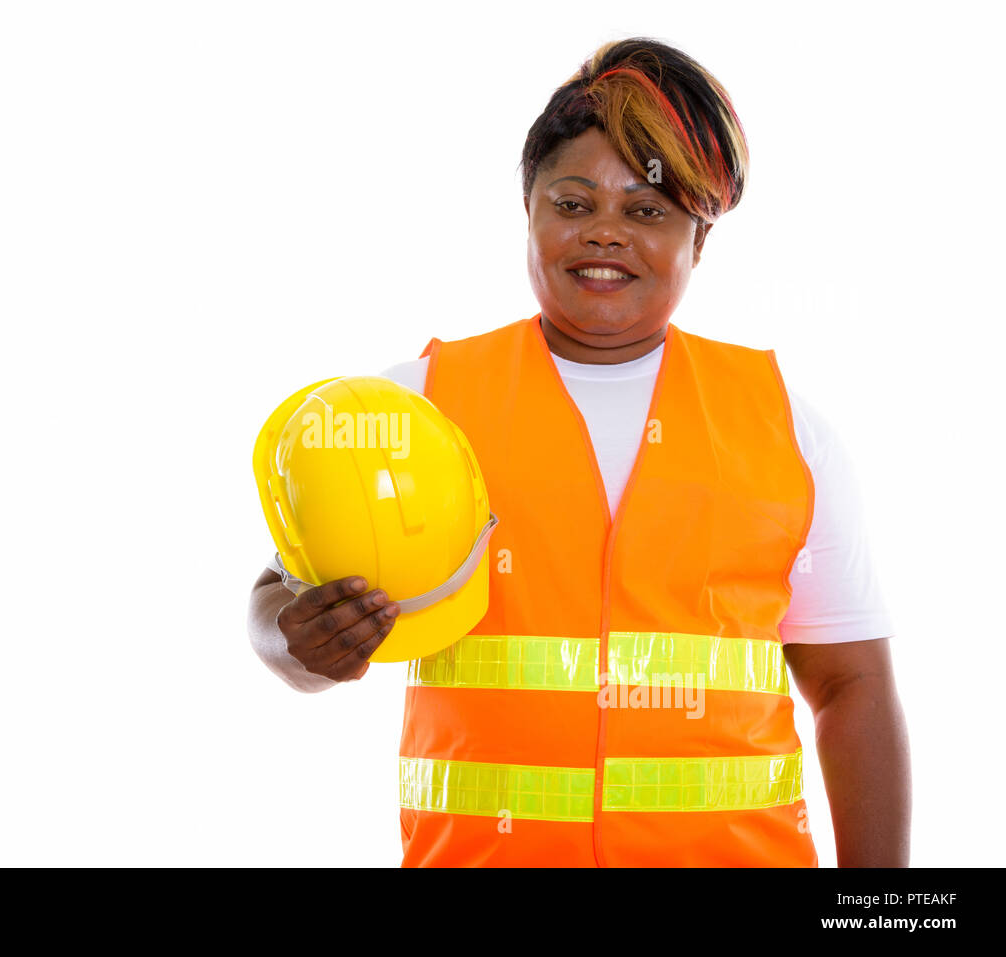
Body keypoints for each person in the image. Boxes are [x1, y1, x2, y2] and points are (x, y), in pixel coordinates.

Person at [247, 37, 910, 867]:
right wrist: (299, 643)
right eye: (572, 204)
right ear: (527, 209)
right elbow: (279, 600)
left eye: (647, 210)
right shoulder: (414, 405)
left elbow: (852, 686)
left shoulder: (786, 424)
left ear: (697, 240)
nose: (605, 234)